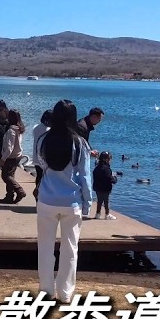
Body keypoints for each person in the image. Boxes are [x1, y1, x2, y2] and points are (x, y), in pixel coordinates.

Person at [34, 99, 93, 302]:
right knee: (70, 249)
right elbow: (85, 176)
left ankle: (46, 290)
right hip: (72, 202)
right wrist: (88, 202)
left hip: (46, 199)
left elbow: (39, 164)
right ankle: (65, 293)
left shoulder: (43, 140)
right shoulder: (79, 143)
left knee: (45, 247)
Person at [0, 110, 27, 204]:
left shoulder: (11, 131)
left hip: (11, 156)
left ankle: (19, 191)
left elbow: (9, 148)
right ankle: (9, 196)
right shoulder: (19, 129)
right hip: (18, 155)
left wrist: (3, 159)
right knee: (10, 176)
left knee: (5, 176)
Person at [92, 151, 118, 219]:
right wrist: (115, 178)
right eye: (109, 159)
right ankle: (107, 214)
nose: (110, 161)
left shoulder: (97, 168)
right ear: (106, 160)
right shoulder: (107, 169)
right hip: (105, 188)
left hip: (97, 188)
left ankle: (98, 214)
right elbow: (110, 179)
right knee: (106, 201)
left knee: (99, 201)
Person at [33, 109, 52, 192]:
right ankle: (41, 194)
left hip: (35, 157)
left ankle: (37, 195)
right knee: (45, 178)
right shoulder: (49, 130)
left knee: (38, 176)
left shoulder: (35, 127)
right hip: (44, 158)